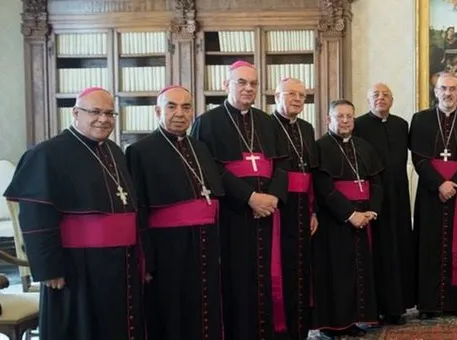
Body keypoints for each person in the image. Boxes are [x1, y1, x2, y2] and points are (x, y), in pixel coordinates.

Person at [3, 87, 146, 339]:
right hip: (76, 266)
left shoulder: (113, 151)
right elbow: (35, 217)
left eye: (109, 113)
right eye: (95, 112)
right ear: (75, 113)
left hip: (118, 262)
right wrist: (48, 268)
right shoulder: (47, 153)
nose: (103, 118)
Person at [190, 60, 289, 340]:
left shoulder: (267, 121)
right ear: (226, 85)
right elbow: (208, 169)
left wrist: (273, 199)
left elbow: (282, 163)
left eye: (253, 83)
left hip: (267, 214)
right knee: (236, 280)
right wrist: (249, 197)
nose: (248, 88)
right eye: (241, 82)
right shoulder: (207, 122)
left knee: (265, 279)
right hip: (232, 216)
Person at [126, 85, 225, 340]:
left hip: (205, 242)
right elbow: (139, 209)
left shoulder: (200, 148)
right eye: (172, 106)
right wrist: (146, 257)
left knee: (205, 304)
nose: (179, 113)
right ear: (158, 111)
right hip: (168, 249)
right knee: (172, 310)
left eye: (186, 107)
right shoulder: (140, 151)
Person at [410, 72, 457, 319]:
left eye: (453, 89)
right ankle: (428, 304)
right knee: (429, 245)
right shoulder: (420, 120)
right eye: (443, 88)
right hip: (432, 193)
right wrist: (440, 184)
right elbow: (419, 159)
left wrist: (455, 184)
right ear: (436, 91)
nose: (448, 93)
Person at [311, 99, 384, 337]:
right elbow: (324, 188)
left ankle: (353, 320)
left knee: (358, 271)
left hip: (363, 218)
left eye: (349, 117)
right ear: (328, 119)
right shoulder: (321, 147)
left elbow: (376, 181)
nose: (344, 121)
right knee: (336, 272)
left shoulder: (363, 146)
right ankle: (332, 325)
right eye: (339, 116)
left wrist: (371, 210)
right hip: (335, 220)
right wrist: (350, 214)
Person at [353, 82, 411, 325]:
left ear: (392, 100)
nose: (381, 98)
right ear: (368, 99)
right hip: (372, 194)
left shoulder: (401, 125)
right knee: (375, 249)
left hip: (398, 195)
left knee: (398, 247)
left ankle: (396, 307)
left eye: (386, 95)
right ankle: (373, 308)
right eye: (376, 94)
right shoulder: (359, 124)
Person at [270, 77, 317, 339]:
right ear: (277, 96)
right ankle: (280, 328)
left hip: (302, 209)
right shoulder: (267, 126)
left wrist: (313, 211)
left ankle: (300, 328)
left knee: (301, 268)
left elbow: (310, 172)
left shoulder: (307, 128)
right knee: (282, 267)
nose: (298, 99)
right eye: (291, 94)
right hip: (280, 207)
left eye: (302, 95)